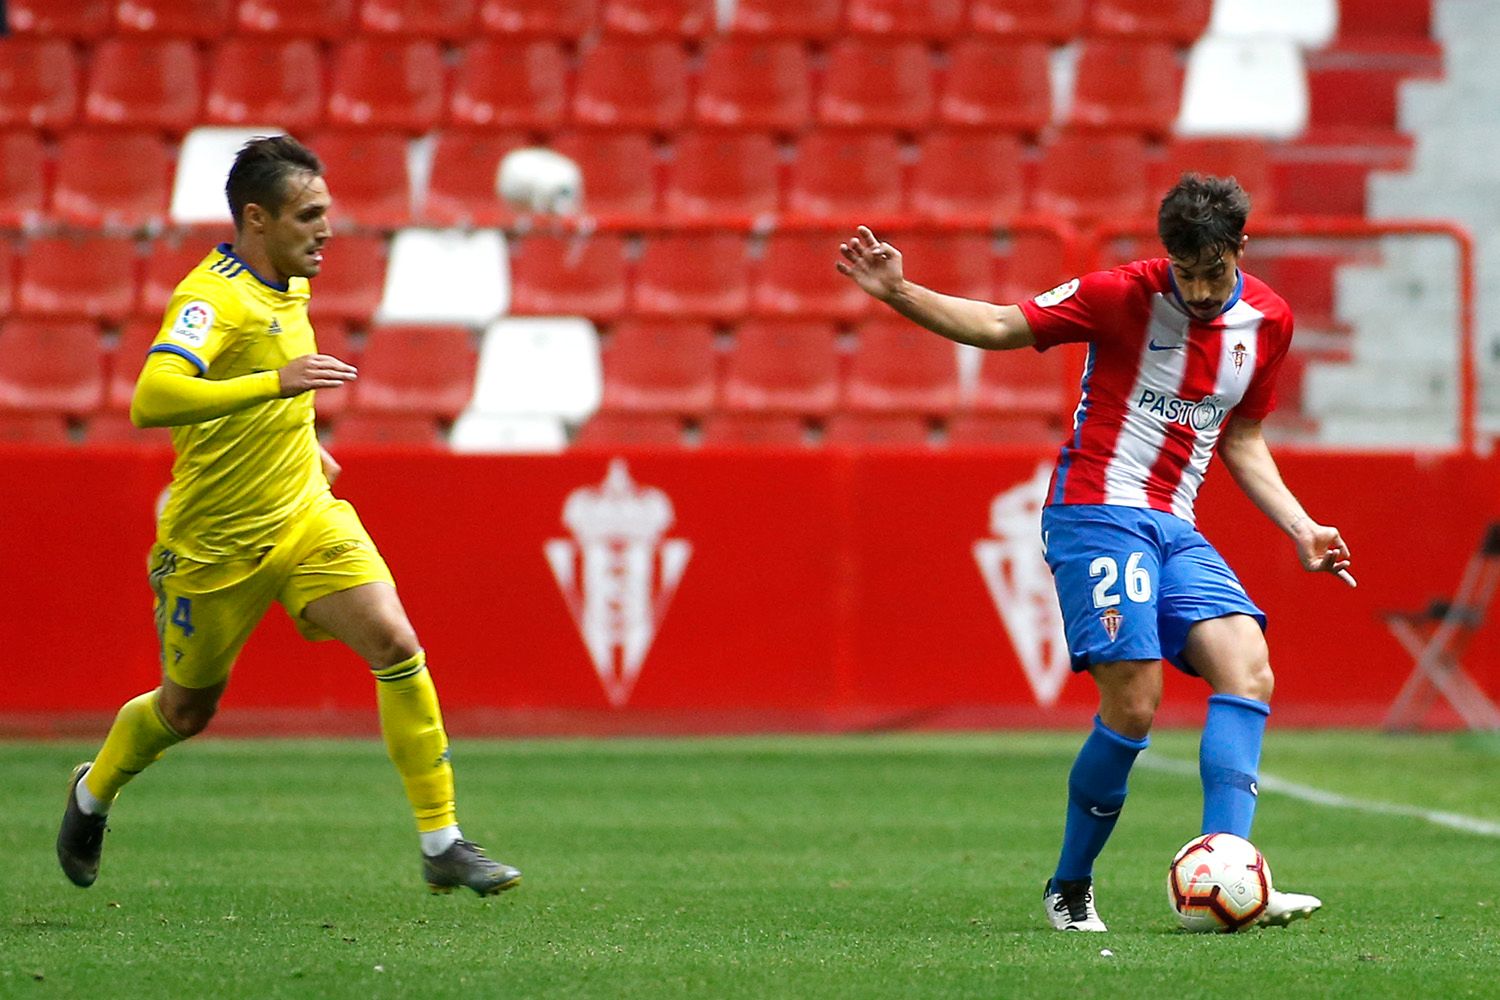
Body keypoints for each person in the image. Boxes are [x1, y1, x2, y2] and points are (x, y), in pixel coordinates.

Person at [836, 174, 1353, 931]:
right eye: (1187, 272)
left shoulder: (1268, 321)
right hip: (1096, 512)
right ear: (1166, 256)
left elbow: (1241, 436)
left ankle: (1233, 875)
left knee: (1248, 664)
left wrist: (1302, 526)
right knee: (1135, 700)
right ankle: (1069, 885)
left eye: (1214, 271)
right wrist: (900, 292)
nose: (1202, 289)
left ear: (1241, 248)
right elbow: (1001, 325)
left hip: (1174, 523)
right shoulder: (1119, 294)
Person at [56, 135, 520, 897]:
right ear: (256, 219)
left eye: (327, 212)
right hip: (215, 544)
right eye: (309, 215)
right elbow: (153, 397)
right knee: (185, 709)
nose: (327, 229)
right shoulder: (212, 298)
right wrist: (279, 384)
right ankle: (91, 791)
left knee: (396, 643)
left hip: (305, 515)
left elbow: (276, 392)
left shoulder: (288, 282)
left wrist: (305, 439)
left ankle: (444, 841)